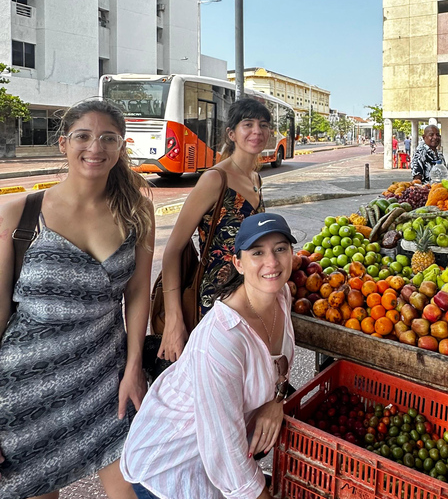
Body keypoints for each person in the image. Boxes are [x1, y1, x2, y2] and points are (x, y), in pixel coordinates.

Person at [0, 99, 155, 498]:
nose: (95, 148)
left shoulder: (137, 212)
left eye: (109, 138)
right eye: (83, 136)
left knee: (130, 488)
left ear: (122, 147)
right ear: (63, 143)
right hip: (25, 388)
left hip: (106, 377)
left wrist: (134, 366)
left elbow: (138, 293)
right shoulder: (19, 214)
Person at [121, 213, 297, 499]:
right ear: (238, 263)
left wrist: (276, 402)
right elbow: (225, 448)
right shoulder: (223, 337)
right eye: (257, 253)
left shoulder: (282, 295)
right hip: (171, 466)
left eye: (280, 249)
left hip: (214, 465)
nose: (272, 262)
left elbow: (277, 364)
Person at [159, 98, 269, 362]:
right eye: (248, 124)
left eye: (263, 125)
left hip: (249, 298)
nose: (257, 131)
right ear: (232, 134)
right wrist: (174, 319)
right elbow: (173, 250)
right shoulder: (214, 179)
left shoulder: (256, 179)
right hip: (214, 302)